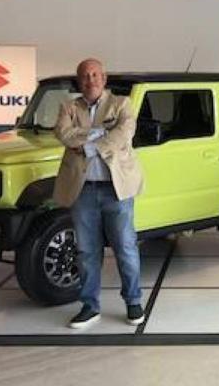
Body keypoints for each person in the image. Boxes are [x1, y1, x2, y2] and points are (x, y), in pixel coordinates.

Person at [53, 58, 144, 329]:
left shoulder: (122, 105)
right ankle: (90, 307)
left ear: (104, 78)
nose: (90, 79)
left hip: (117, 190)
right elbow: (62, 133)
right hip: (83, 191)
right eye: (84, 76)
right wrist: (99, 132)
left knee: (125, 248)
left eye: (94, 74)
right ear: (78, 81)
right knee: (85, 252)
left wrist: (89, 143)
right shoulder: (69, 107)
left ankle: (133, 301)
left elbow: (123, 134)